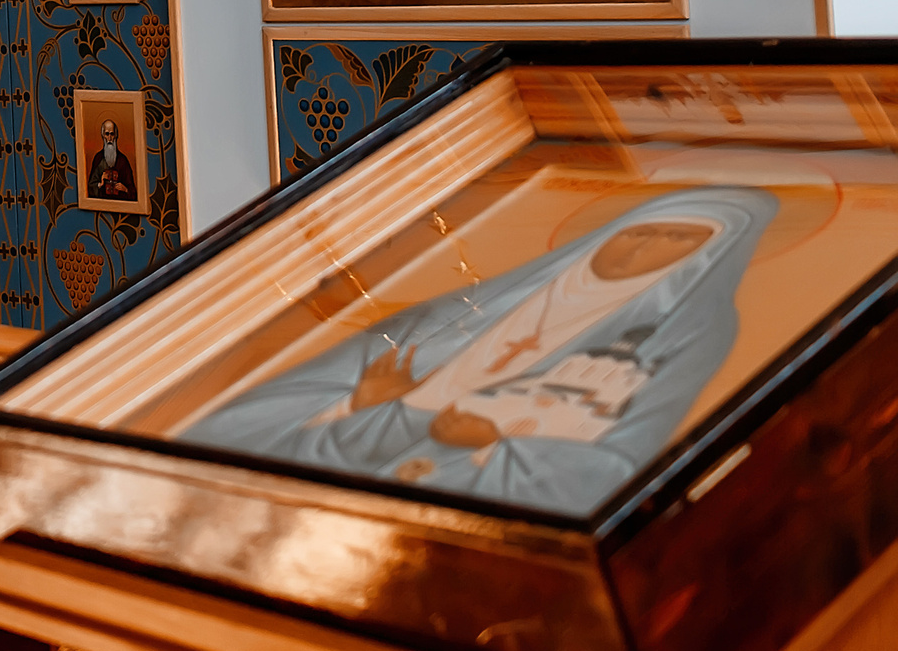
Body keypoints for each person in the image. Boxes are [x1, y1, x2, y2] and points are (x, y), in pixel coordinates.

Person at [184, 188, 776, 514]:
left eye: (679, 238)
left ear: (703, 259)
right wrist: (360, 407)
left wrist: (494, 446)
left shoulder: (687, 331)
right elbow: (302, 391)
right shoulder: (480, 300)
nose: (646, 247)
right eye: (640, 230)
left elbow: (625, 459)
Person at [87, 117, 137, 201]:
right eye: (107, 134)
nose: (109, 138)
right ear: (103, 135)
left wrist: (125, 189)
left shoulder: (123, 160)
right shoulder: (98, 158)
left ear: (116, 136)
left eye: (112, 134)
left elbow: (133, 191)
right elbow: (91, 187)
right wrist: (100, 184)